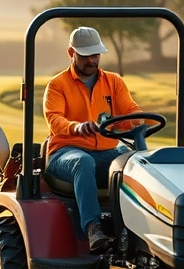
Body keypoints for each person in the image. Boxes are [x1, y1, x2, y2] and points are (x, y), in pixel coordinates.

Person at [43, 26, 144, 254]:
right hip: (66, 152)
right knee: (83, 162)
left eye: (96, 54)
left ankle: (135, 228)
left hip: (107, 151)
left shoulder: (114, 82)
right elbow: (55, 120)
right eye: (87, 55)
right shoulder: (58, 85)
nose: (92, 60)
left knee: (136, 162)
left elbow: (129, 110)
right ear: (72, 53)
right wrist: (76, 127)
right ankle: (93, 228)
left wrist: (139, 122)